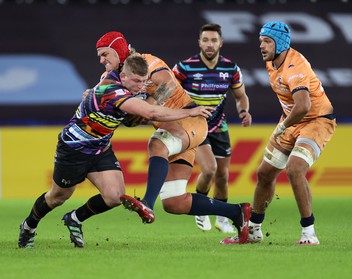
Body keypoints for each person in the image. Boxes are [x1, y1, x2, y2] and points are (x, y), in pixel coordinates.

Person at [17, 54, 214, 248]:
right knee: (58, 197)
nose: (140, 86)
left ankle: (75, 218)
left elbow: (153, 97)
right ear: (125, 77)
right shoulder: (112, 90)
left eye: (143, 82)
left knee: (114, 196)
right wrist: (190, 111)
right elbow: (150, 112)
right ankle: (28, 226)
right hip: (74, 149)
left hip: (100, 148)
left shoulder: (131, 87)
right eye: (136, 81)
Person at [95, 31, 252, 242]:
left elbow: (168, 85)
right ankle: (238, 212)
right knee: (174, 202)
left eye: (105, 54)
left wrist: (146, 107)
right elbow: (114, 109)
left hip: (189, 120)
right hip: (174, 130)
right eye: (99, 56)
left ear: (119, 51)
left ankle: (148, 204)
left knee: (157, 144)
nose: (101, 60)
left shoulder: (146, 62)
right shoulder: (110, 79)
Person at [221, 21, 336, 245]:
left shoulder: (295, 67)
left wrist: (283, 126)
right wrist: (286, 124)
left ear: (280, 44)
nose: (261, 46)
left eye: (267, 41)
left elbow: (303, 106)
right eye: (260, 41)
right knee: (265, 173)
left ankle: (309, 233)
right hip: (291, 121)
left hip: (316, 121)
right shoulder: (272, 61)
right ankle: (253, 230)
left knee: (295, 169)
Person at [172, 23, 252, 233]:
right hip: (194, 126)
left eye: (213, 40)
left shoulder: (231, 68)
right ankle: (201, 209)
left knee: (223, 176)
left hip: (218, 126)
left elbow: (241, 96)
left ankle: (222, 219)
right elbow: (167, 92)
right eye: (205, 40)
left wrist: (243, 112)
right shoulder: (184, 67)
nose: (209, 44)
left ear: (221, 43)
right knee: (209, 169)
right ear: (199, 42)